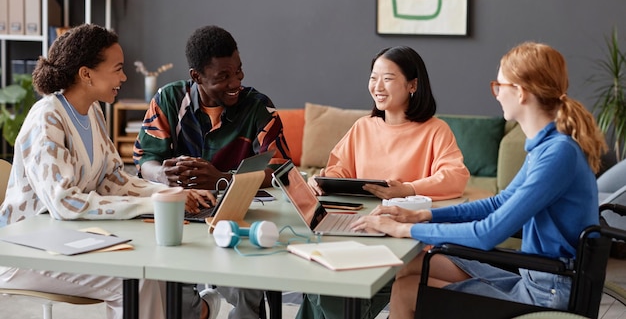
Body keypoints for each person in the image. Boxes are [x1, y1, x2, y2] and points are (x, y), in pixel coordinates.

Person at [351, 41, 608, 319]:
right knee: (412, 265)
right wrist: (422, 217)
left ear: (520, 93)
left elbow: (487, 233)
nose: (496, 95)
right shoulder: (547, 147)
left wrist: (403, 230)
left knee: (407, 290)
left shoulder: (557, 154)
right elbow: (498, 203)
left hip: (548, 290)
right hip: (538, 277)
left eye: (499, 87)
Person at [0, 23, 216, 319]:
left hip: (67, 238)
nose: (124, 77)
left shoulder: (93, 111)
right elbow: (65, 203)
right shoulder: (47, 119)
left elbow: (114, 180)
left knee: (151, 264)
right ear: (86, 73)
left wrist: (173, 193)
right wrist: (152, 202)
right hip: (23, 254)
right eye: (117, 69)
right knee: (134, 278)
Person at [298, 45, 470, 319]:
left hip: (404, 240)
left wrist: (408, 189)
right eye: (373, 77)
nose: (377, 86)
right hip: (360, 228)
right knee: (321, 282)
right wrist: (323, 181)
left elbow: (455, 177)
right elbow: (339, 169)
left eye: (387, 78)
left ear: (413, 85)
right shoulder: (364, 127)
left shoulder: (435, 130)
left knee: (329, 290)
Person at [133, 24, 291, 319]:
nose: (236, 82)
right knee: (163, 285)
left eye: (239, 71)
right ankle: (204, 309)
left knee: (249, 287)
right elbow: (144, 160)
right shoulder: (168, 100)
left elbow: (280, 168)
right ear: (197, 76)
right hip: (180, 215)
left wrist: (222, 178)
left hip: (235, 216)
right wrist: (161, 175)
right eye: (223, 76)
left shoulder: (257, 107)